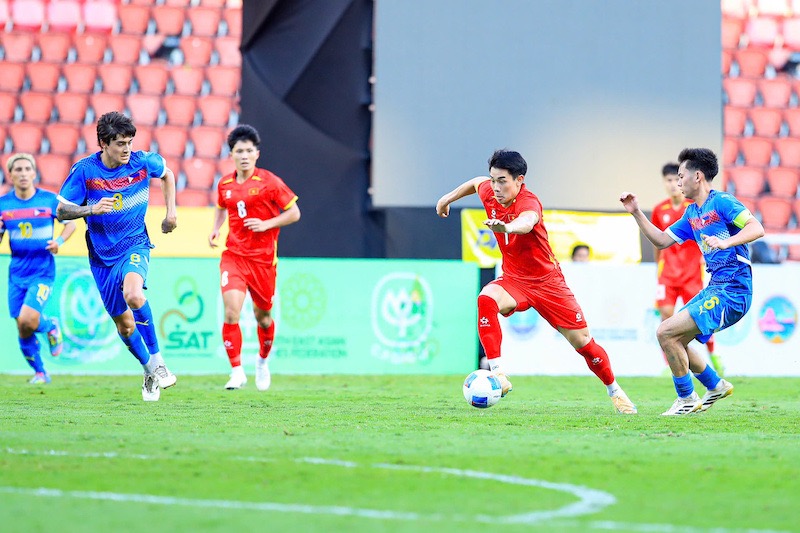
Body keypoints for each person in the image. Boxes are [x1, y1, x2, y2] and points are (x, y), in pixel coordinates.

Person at [436, 149, 637, 414]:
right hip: (514, 280)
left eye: (502, 181)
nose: (495, 187)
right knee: (486, 298)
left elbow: (527, 222)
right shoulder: (489, 190)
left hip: (548, 283)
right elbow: (475, 183)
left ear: (519, 180)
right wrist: (446, 199)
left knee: (584, 344)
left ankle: (615, 391)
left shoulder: (529, 202)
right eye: (493, 180)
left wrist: (506, 227)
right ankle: (498, 373)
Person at [621, 148, 765, 416]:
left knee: (665, 332)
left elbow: (757, 227)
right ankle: (715, 385)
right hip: (715, 287)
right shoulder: (692, 214)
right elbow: (662, 241)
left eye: (681, 176)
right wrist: (636, 212)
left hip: (733, 291)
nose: (678, 182)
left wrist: (727, 241)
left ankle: (686, 398)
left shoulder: (722, 202)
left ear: (697, 176)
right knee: (675, 338)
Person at [56, 111, 178, 402]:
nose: (126, 149)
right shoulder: (85, 171)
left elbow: (167, 174)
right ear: (103, 143)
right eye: (120, 143)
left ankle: (159, 362)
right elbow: (61, 211)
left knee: (134, 295)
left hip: (135, 243)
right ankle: (148, 369)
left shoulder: (141, 161)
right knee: (124, 326)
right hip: (101, 258)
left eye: (130, 142)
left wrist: (171, 213)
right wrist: (90, 209)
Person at [209, 125, 300, 391]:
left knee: (263, 318)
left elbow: (294, 213)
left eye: (249, 150)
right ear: (232, 154)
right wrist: (216, 228)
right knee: (231, 311)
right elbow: (221, 206)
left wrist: (267, 223)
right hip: (234, 256)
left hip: (262, 261)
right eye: (240, 151)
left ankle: (261, 362)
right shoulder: (224, 184)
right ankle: (237, 371)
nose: (245, 155)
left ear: (257, 154)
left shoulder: (269, 182)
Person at [0, 154, 76, 384]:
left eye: (27, 169)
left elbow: (70, 223)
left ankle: (51, 325)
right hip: (16, 273)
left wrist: (59, 242)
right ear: (10, 175)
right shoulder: (4, 205)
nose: (23, 173)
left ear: (34, 173)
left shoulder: (49, 201)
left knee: (28, 320)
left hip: (42, 272)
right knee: (23, 327)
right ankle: (40, 373)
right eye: (18, 169)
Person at [652, 162, 724, 375]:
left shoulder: (693, 209)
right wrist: (659, 268)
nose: (674, 184)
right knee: (665, 318)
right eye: (669, 180)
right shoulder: (659, 210)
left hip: (692, 274)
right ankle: (669, 364)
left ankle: (713, 356)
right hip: (668, 275)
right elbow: (658, 241)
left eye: (677, 179)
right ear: (664, 183)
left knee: (702, 317)